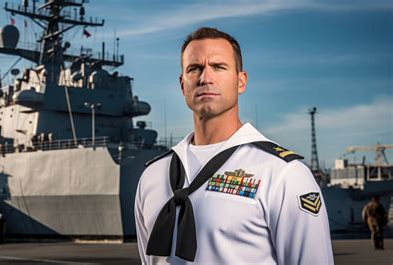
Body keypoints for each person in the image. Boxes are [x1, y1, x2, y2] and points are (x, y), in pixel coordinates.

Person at [134, 27, 334, 264]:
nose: (205, 78)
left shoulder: (283, 174)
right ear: (182, 85)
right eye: (194, 68)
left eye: (219, 67)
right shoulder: (152, 176)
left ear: (241, 81)